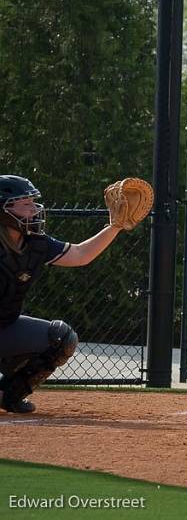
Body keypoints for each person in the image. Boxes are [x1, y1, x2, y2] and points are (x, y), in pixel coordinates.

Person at [0, 175, 124, 413]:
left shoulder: (35, 243)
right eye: (24, 203)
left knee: (61, 338)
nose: (34, 208)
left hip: (5, 326)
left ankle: (9, 395)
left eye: (33, 202)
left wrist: (115, 226)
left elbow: (80, 255)